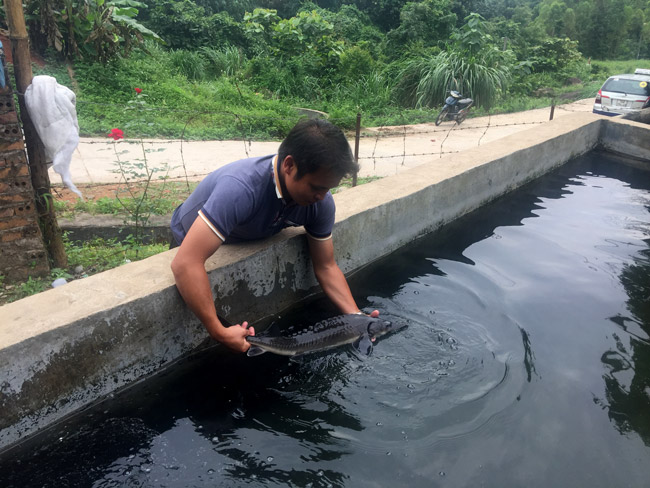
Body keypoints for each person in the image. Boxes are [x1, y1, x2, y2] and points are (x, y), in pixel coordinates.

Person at [170, 118, 378, 353]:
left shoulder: (320, 203)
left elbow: (326, 266)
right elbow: (185, 263)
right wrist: (218, 331)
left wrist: (358, 319)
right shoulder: (241, 188)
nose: (322, 196)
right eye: (316, 187)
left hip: (248, 231)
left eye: (328, 189)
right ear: (289, 165)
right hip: (189, 236)